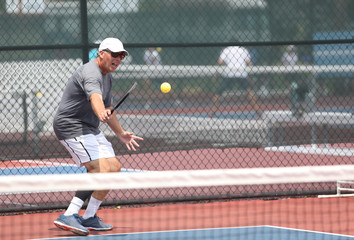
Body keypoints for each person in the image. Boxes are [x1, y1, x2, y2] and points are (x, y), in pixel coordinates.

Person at [53, 37, 143, 236]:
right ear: (101, 53)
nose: (118, 59)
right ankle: (69, 214)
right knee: (98, 168)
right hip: (71, 126)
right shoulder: (91, 72)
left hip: (90, 128)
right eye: (114, 54)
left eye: (121, 56)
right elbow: (95, 97)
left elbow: (109, 108)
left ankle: (89, 216)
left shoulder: (107, 76)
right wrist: (100, 111)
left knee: (113, 167)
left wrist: (120, 133)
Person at [210, 42, 260, 118]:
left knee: (219, 92)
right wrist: (251, 74)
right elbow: (249, 63)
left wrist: (216, 74)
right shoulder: (243, 49)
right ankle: (258, 111)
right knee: (249, 91)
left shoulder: (226, 49)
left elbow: (220, 62)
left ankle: (212, 112)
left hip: (229, 73)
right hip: (241, 73)